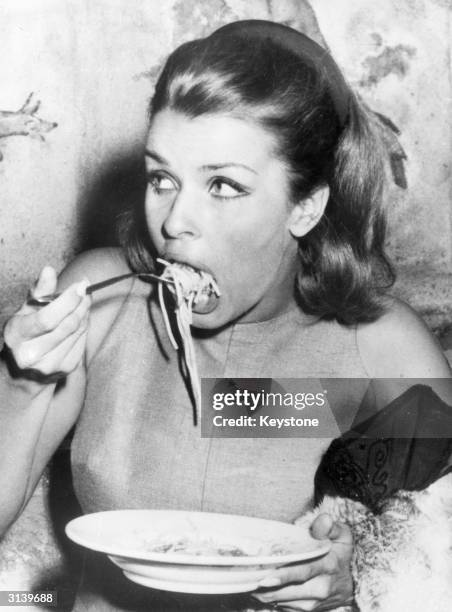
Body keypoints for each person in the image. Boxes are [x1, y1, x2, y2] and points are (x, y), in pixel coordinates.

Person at [1, 19, 451, 612]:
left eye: (223, 186)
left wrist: (367, 566)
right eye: (162, 177)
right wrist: (22, 381)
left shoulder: (376, 343)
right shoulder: (101, 303)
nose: (173, 222)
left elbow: (435, 541)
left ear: (305, 206)